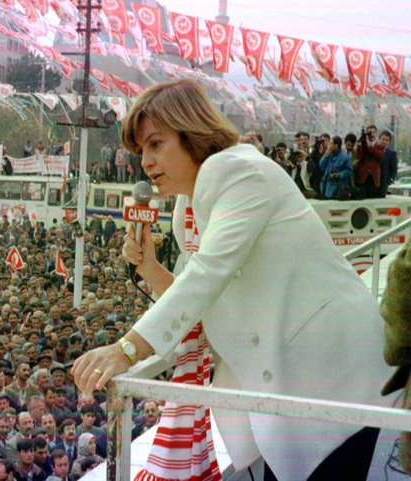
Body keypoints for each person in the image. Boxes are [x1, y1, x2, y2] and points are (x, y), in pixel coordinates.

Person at [72, 78, 394, 481]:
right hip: (293, 387)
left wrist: (127, 350)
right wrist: (150, 269)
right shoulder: (187, 208)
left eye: (156, 144)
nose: (146, 163)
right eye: (141, 151)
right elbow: (202, 301)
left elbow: (207, 274)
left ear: (192, 132)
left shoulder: (240, 171)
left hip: (334, 373)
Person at [319, 136, 353, 200]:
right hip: (326, 185)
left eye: (331, 143)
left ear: (336, 145)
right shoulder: (329, 154)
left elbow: (349, 170)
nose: (330, 146)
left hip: (338, 186)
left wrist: (338, 175)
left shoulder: (345, 156)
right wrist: (325, 156)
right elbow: (321, 166)